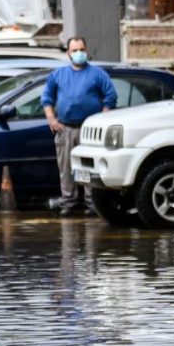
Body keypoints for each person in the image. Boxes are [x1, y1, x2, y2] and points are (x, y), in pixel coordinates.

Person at [41, 36, 118, 216]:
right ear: (68, 53)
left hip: (90, 131)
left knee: (90, 167)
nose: (78, 53)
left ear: (86, 50)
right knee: (66, 168)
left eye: (81, 50)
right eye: (74, 50)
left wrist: (103, 118)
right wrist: (51, 119)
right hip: (65, 128)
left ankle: (93, 204)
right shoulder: (58, 75)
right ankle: (68, 202)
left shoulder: (97, 74)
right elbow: (46, 99)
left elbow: (110, 96)